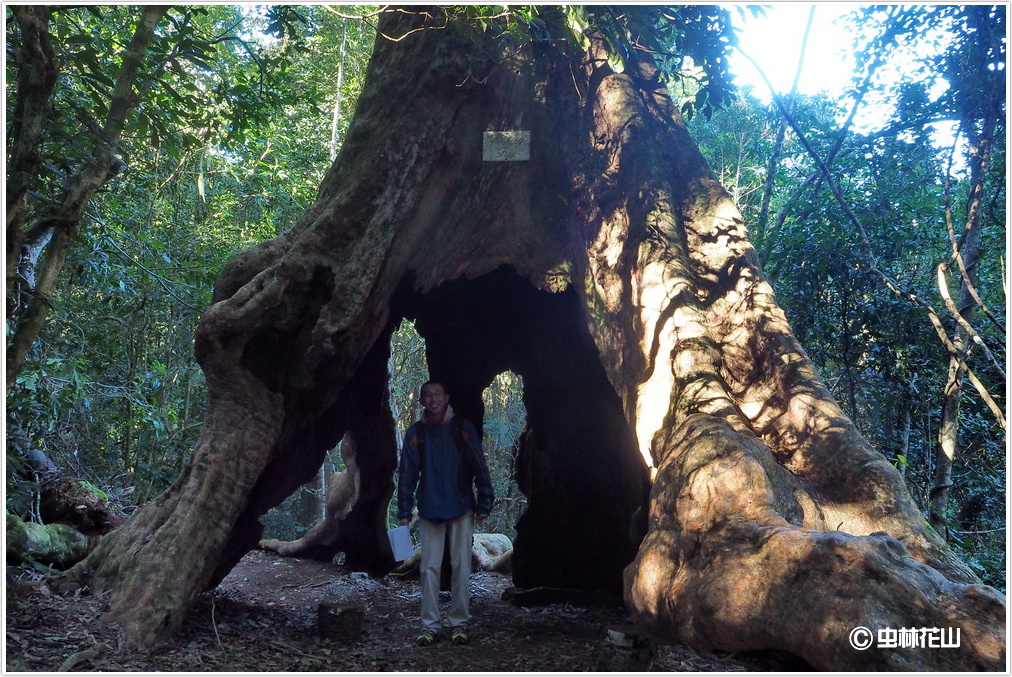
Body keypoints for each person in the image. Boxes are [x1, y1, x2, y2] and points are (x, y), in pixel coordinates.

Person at [397, 380, 494, 646]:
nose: (433, 399)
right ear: (422, 401)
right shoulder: (417, 433)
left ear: (446, 397)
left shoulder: (462, 429)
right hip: (430, 509)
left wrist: (485, 501)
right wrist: (404, 511)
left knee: (461, 566)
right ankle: (430, 625)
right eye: (427, 395)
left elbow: (479, 464)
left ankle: (459, 623)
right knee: (429, 568)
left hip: (461, 507)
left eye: (437, 394)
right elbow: (407, 473)